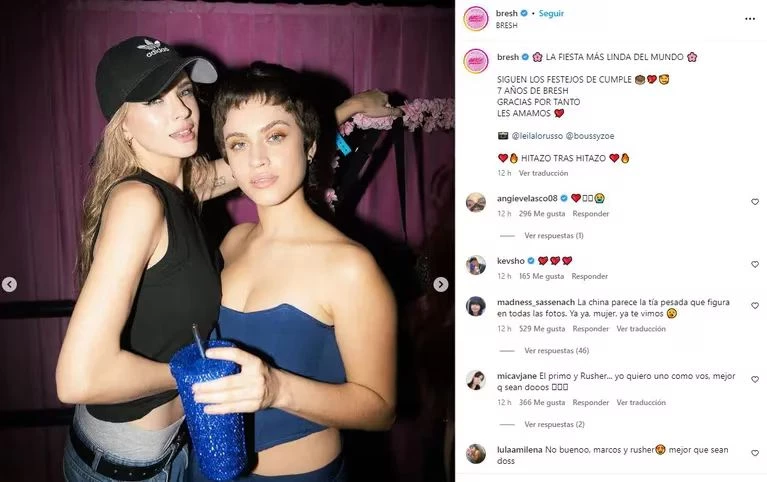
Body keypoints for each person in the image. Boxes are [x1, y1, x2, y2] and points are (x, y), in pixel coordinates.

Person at [55, 35, 400, 482]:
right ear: (122, 125)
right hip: (138, 462)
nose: (181, 111)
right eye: (155, 100)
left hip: (195, 458)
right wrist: (192, 373)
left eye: (184, 91)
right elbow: (78, 378)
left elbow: (265, 150)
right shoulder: (171, 214)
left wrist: (346, 109)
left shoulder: (185, 193)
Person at [186, 64, 397, 481]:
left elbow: (381, 410)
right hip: (208, 467)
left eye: (276, 136)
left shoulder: (349, 266)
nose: (257, 159)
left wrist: (277, 389)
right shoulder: (232, 242)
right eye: (239, 143)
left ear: (311, 145)